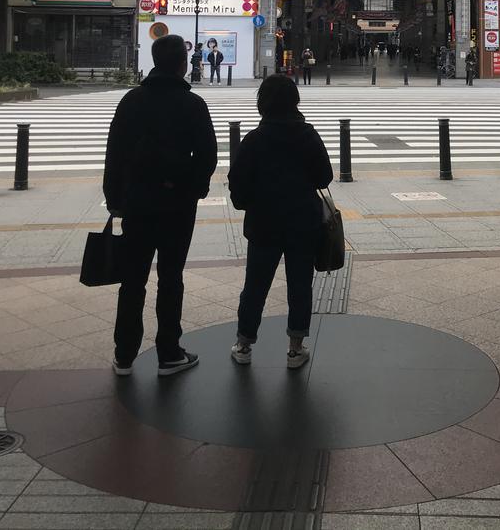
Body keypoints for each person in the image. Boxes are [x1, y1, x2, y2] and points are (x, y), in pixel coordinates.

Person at [103, 34, 218, 377]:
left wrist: (115, 200)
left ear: (154, 61)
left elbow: (115, 155)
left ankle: (124, 355)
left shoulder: (131, 101)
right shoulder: (193, 104)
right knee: (171, 277)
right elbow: (208, 156)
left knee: (132, 279)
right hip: (177, 206)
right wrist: (194, 188)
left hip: (137, 202)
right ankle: (169, 353)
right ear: (184, 64)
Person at [228, 75, 333, 368]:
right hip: (303, 221)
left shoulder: (254, 139)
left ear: (263, 104)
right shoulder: (307, 135)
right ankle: (295, 349)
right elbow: (325, 176)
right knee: (300, 284)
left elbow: (237, 182)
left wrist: (248, 202)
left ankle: (244, 343)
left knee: (255, 284)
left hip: (264, 222)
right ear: (294, 102)